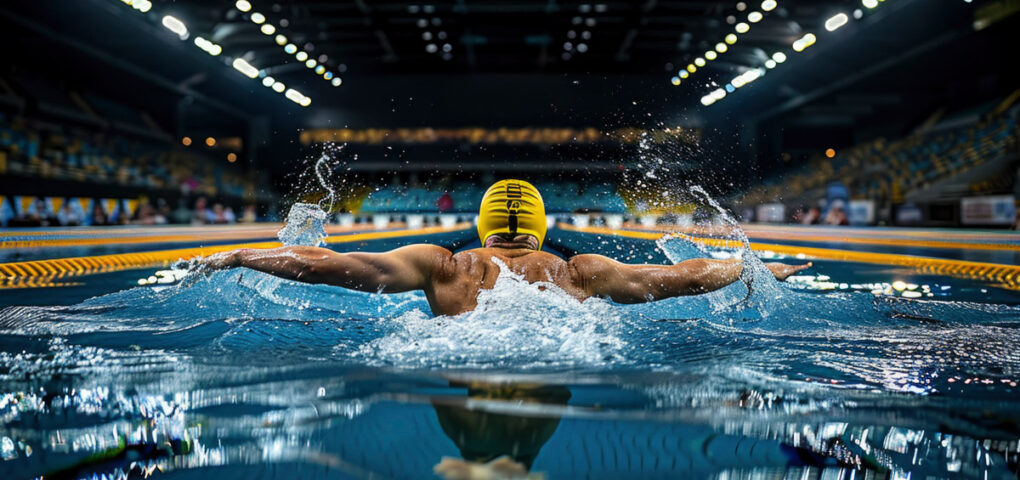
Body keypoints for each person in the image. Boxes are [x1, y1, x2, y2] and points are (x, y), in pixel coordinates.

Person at [200, 180, 810, 316]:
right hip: (562, 349)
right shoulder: (583, 271)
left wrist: (239, 254)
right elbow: (686, 275)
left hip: (455, 353)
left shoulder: (442, 265)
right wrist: (751, 265)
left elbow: (326, 265)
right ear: (540, 228)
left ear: (485, 227)